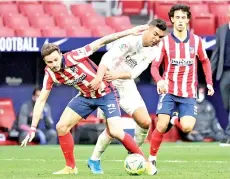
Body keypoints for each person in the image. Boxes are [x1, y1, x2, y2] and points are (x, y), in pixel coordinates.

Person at [20, 26, 156, 175]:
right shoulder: (50, 74)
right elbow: (40, 101)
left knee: (116, 131)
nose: (54, 65)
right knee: (61, 127)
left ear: (60, 54)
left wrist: (129, 32)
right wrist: (33, 128)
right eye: (49, 62)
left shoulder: (75, 55)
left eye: (55, 60)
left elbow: (102, 41)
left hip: (106, 93)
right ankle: (71, 167)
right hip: (85, 96)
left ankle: (146, 162)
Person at [87, 19, 167, 174]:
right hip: (107, 84)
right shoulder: (130, 40)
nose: (157, 39)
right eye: (155, 34)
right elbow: (107, 58)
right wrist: (101, 77)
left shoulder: (154, 51)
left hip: (125, 84)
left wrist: (116, 75)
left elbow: (135, 73)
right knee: (112, 130)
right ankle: (94, 159)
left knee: (145, 122)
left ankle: (133, 154)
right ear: (147, 29)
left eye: (160, 37)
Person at [149, 4, 215, 169]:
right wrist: (159, 81)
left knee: (187, 127)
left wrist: (209, 83)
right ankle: (151, 159)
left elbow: (205, 62)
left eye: (183, 17)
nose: (180, 20)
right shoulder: (164, 42)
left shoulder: (197, 41)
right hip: (168, 89)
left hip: (188, 92)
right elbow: (154, 67)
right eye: (177, 17)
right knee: (161, 125)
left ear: (188, 20)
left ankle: (174, 118)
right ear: (172, 19)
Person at [211, 6, 230, 145]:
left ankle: (228, 133)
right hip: (225, 72)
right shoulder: (221, 30)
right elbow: (216, 53)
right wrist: (209, 74)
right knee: (226, 103)